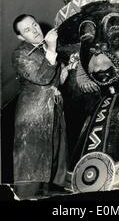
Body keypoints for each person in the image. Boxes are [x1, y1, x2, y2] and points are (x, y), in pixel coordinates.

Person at [12, 14, 69, 199]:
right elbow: (42, 78)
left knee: (53, 170)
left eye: (34, 24)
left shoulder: (44, 50)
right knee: (32, 170)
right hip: (34, 118)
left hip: (53, 114)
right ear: (21, 37)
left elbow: (53, 80)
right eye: (27, 30)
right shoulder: (20, 54)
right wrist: (52, 49)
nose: (35, 30)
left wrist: (63, 74)